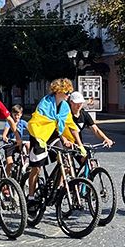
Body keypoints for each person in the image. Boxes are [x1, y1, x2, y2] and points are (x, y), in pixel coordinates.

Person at [25, 79, 79, 207]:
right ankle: (31, 197)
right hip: (39, 135)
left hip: (53, 135)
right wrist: (39, 139)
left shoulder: (65, 106)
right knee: (36, 168)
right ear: (58, 91)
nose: (68, 95)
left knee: (65, 160)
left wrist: (80, 144)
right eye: (67, 92)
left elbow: (71, 126)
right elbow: (36, 121)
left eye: (70, 92)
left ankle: (57, 188)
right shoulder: (45, 103)